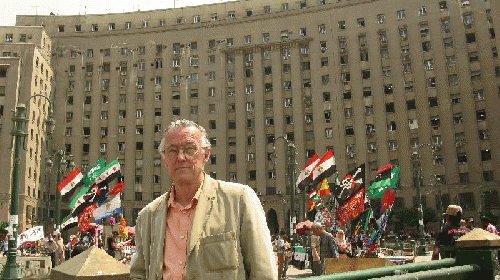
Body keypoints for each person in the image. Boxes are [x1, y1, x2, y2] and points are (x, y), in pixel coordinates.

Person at [130, 119, 277, 280]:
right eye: (172, 150)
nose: (181, 157)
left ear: (206, 154)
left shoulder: (239, 200)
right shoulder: (148, 217)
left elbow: (264, 273)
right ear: (164, 159)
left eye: (189, 149)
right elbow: (139, 274)